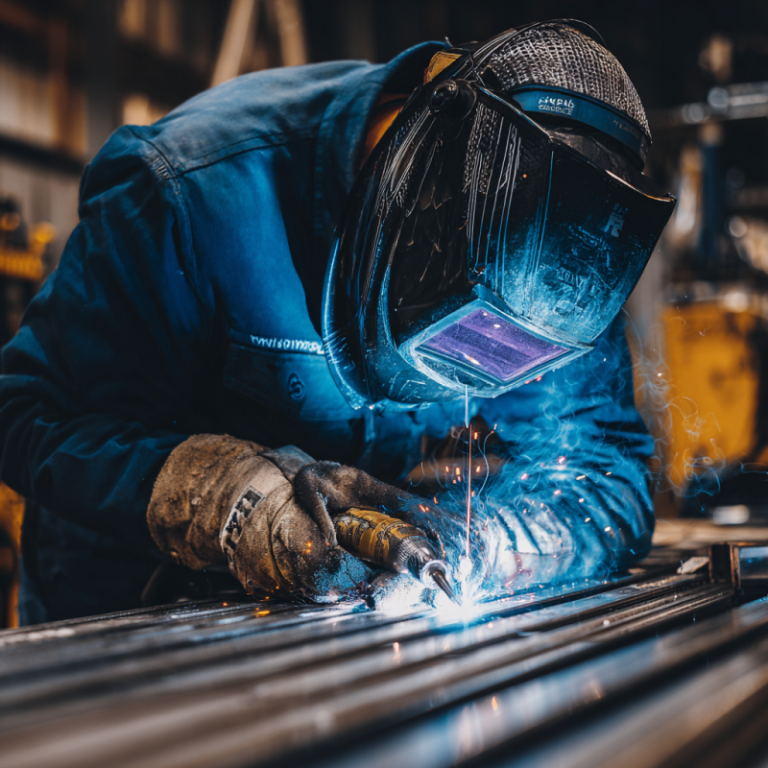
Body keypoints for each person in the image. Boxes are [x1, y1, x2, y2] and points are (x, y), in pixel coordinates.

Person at [0, 21, 674, 625]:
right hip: (128, 630)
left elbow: (603, 473)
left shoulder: (562, 256)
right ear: (417, 211)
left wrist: (482, 544)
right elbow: (29, 411)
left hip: (356, 633)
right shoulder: (189, 194)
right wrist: (215, 496)